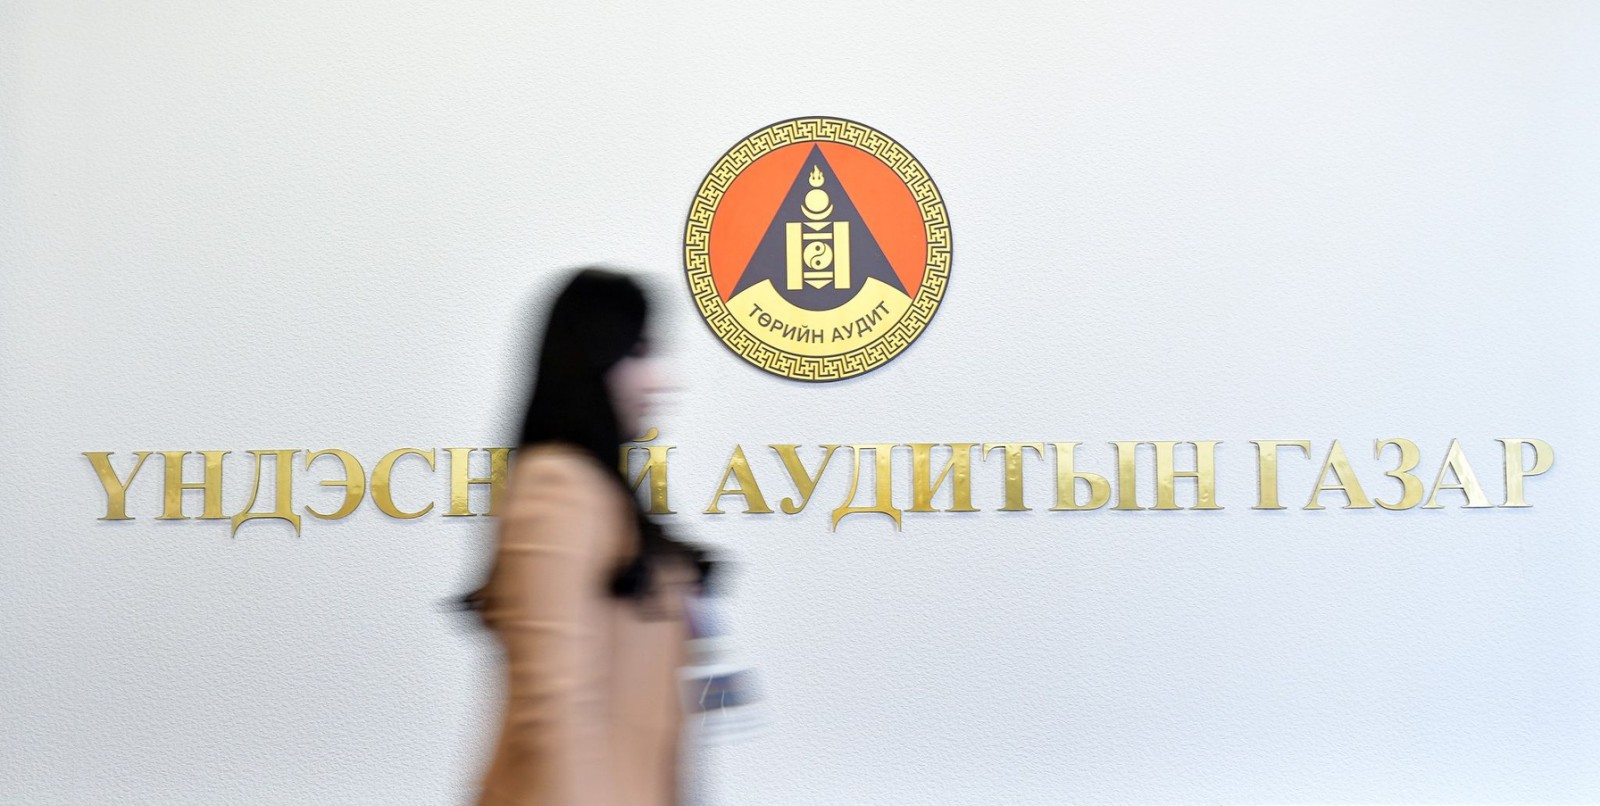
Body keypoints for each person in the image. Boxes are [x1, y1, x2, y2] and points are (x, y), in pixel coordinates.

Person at [463, 268, 714, 806]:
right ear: (594, 357)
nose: (659, 380)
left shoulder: (603, 492)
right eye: (637, 352)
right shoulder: (557, 488)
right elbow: (554, 705)